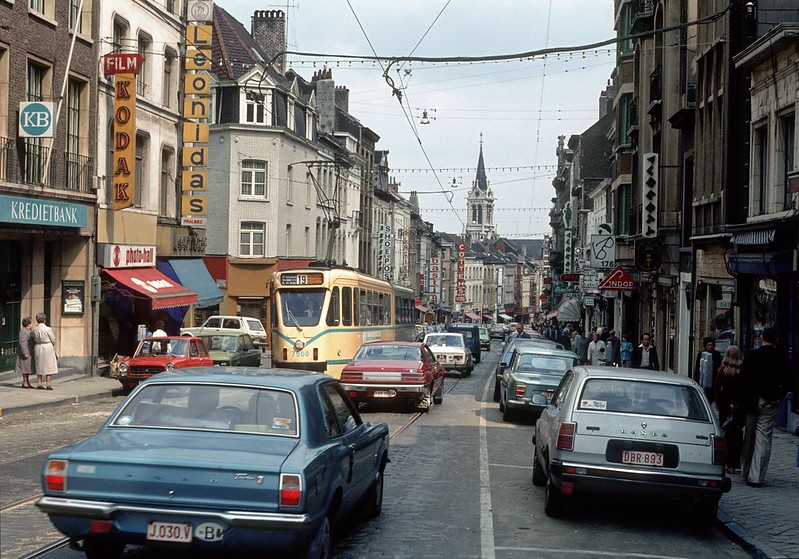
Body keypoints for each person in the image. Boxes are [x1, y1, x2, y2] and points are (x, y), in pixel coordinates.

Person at [735, 327, 791, 487]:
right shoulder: (781, 358)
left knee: (749, 437)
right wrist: (778, 397)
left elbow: (743, 380)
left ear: (761, 337)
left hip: (751, 401)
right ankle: (756, 476)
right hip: (769, 402)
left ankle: (745, 470)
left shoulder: (752, 356)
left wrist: (738, 401)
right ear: (777, 340)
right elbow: (789, 380)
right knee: (763, 438)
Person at [714, 345, 744, 473]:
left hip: (725, 407)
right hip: (738, 408)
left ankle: (727, 463)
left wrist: (719, 402)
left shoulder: (722, 371)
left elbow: (716, 389)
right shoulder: (742, 372)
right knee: (737, 435)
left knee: (725, 434)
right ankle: (736, 461)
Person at [31, 313, 58, 390]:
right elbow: (53, 339)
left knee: (39, 365)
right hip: (47, 347)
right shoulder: (48, 329)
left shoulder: (34, 329)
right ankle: (48, 383)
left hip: (38, 346)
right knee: (48, 365)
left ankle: (39, 383)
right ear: (44, 320)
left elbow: (32, 338)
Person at [693, 336, 723, 402]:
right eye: (708, 345)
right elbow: (698, 368)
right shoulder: (701, 354)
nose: (710, 347)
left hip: (713, 380)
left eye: (711, 345)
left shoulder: (716, 354)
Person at [15, 316, 34, 389]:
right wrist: (25, 352)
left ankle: (27, 382)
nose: (32, 324)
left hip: (29, 351)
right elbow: (23, 342)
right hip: (26, 352)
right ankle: (25, 382)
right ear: (28, 324)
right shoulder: (23, 331)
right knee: (25, 368)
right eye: (31, 323)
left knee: (28, 368)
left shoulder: (28, 330)